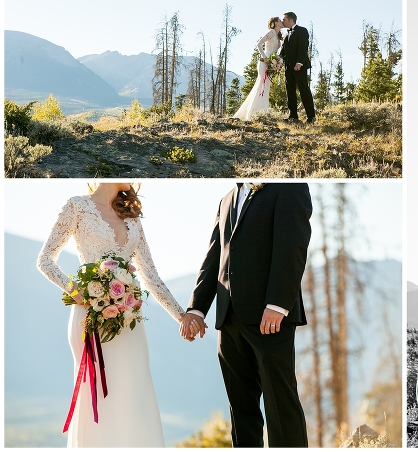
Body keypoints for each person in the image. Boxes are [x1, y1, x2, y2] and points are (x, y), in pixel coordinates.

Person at [37, 183, 187, 447]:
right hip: (90, 316)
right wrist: (79, 292)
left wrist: (182, 316)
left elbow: (150, 276)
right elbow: (46, 260)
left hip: (129, 321)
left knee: (134, 392)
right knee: (98, 397)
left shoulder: (132, 214)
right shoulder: (77, 206)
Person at [180, 182, 311, 447]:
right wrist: (196, 308)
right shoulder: (226, 199)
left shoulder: (288, 187)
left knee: (280, 407)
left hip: (270, 317)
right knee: (240, 411)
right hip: (228, 318)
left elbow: (293, 244)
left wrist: (277, 304)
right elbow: (215, 254)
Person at [233, 17, 284, 120]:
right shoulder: (271, 32)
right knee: (261, 85)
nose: (281, 21)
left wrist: (277, 61)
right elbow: (259, 44)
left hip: (272, 61)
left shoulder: (278, 36)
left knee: (266, 87)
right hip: (264, 61)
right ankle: (252, 113)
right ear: (274, 23)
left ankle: (262, 112)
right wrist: (265, 58)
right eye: (279, 20)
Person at [279, 12, 316, 123]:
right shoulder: (286, 35)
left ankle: (311, 116)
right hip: (288, 68)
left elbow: (303, 47)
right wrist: (277, 61)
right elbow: (283, 52)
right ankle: (293, 116)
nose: (283, 21)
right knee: (290, 91)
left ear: (291, 20)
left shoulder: (302, 31)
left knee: (304, 90)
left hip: (299, 66)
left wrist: (299, 63)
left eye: (284, 19)